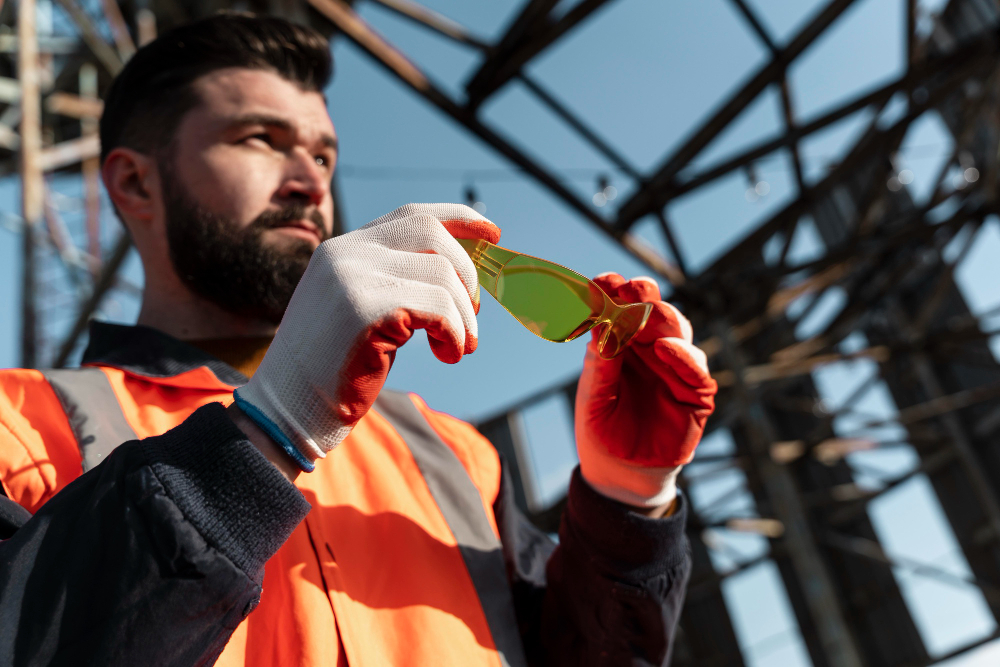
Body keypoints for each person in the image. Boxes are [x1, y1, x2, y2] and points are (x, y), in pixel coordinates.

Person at [0, 12, 717, 667]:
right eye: (260, 138)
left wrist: (627, 503)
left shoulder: (456, 454)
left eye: (323, 157)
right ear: (134, 183)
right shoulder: (17, 424)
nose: (310, 182)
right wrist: (269, 428)